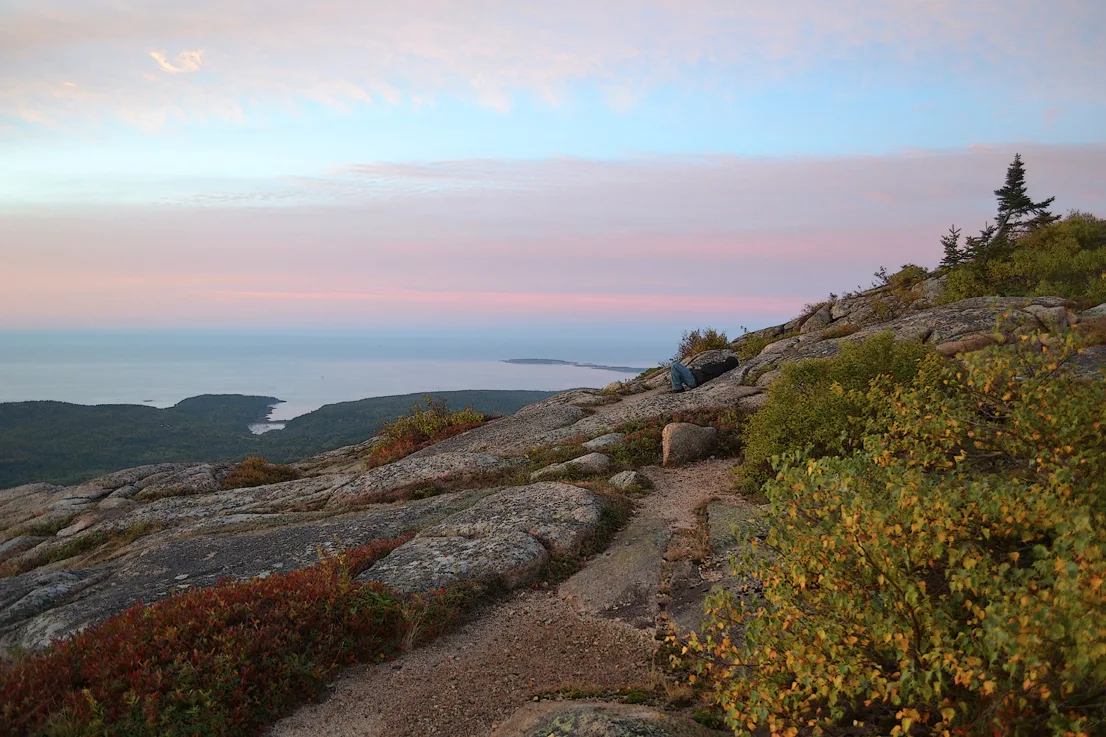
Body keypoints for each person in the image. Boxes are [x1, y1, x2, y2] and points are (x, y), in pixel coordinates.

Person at [670, 354, 739, 392]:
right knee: (679, 371)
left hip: (694, 379)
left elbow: (706, 368)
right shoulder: (725, 369)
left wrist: (709, 364)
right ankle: (677, 387)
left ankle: (678, 389)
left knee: (675, 365)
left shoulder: (722, 366)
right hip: (695, 378)